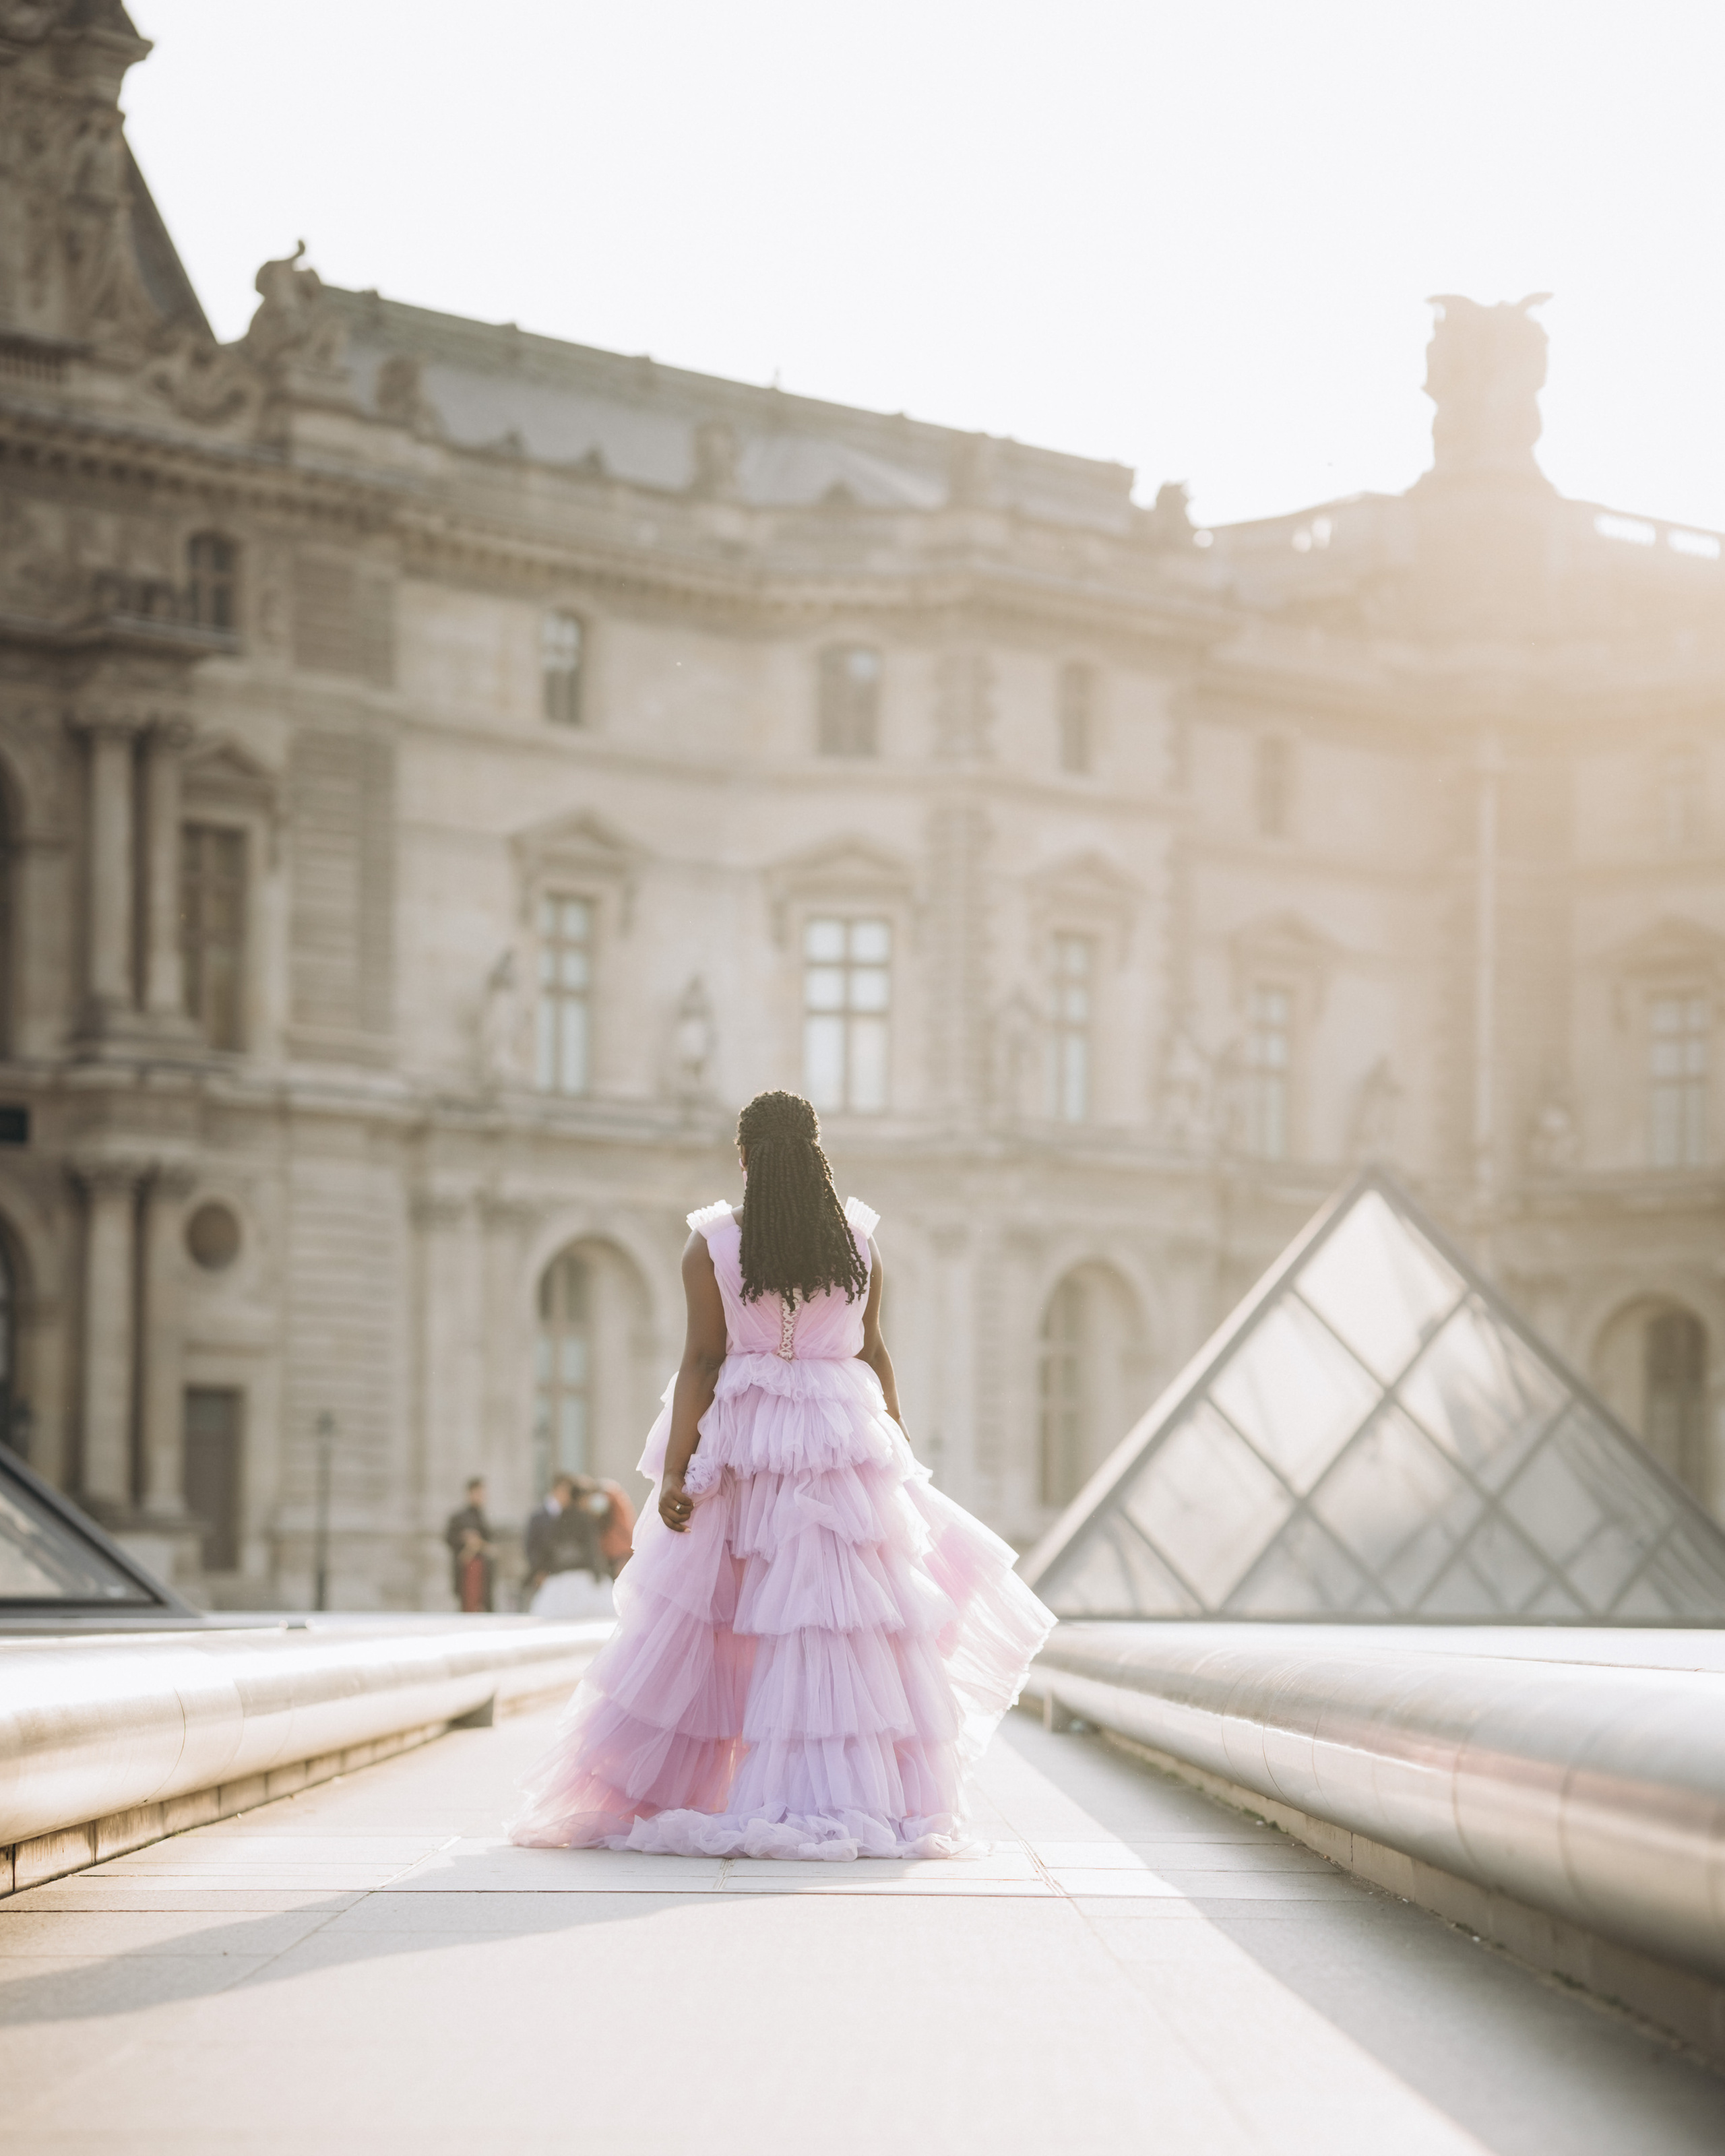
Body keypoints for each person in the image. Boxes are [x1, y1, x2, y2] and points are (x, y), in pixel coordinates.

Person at [509, 1088, 1055, 1860]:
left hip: (746, 1440)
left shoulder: (715, 1246)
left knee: (720, 1624)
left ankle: (689, 1790)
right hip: (839, 1441)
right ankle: (845, 1796)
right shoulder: (859, 1247)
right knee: (834, 1628)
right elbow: (873, 1353)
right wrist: (892, 1445)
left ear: (743, 1157)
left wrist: (674, 1472)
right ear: (816, 1154)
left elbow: (701, 1359)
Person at [524, 1472, 615, 1619]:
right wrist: (598, 1574)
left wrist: (540, 1570)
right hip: (583, 1576)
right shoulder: (586, 1520)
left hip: (560, 1578)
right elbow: (591, 1549)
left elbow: (550, 1549)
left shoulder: (560, 1519)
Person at [444, 1476, 494, 1614]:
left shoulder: (483, 1517)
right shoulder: (458, 1517)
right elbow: (449, 1538)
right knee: (467, 1605)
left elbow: (490, 1544)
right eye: (478, 1493)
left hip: (482, 1569)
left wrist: (480, 1543)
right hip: (466, 1568)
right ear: (470, 1493)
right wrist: (465, 1539)